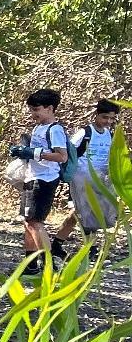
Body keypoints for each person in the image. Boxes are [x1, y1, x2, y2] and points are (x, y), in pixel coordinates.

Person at [13, 89, 70, 263]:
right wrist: (23, 151)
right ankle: (30, 264)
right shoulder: (39, 127)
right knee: (28, 222)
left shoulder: (55, 130)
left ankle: (49, 263)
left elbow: (62, 156)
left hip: (44, 179)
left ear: (49, 108)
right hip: (32, 176)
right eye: (31, 109)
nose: (33, 114)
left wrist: (35, 153)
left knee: (36, 223)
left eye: (36, 110)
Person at [59, 100, 119, 253]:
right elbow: (69, 151)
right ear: (96, 115)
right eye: (105, 117)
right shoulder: (85, 133)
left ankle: (57, 244)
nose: (108, 122)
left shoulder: (109, 134)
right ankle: (90, 248)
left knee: (89, 213)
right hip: (82, 177)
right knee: (85, 212)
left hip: (100, 179)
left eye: (112, 119)